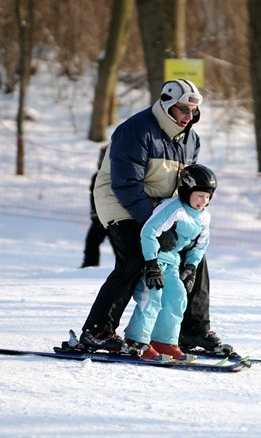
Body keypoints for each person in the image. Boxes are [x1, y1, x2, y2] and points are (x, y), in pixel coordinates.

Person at [78, 79, 230, 354]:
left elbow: (186, 185)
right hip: (121, 203)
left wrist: (189, 223)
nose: (188, 116)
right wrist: (157, 226)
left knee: (194, 256)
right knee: (136, 256)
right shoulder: (136, 130)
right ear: (167, 103)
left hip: (161, 209)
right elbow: (125, 184)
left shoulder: (190, 139)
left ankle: (192, 330)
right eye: (183, 109)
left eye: (193, 111)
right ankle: (98, 330)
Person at [123, 164, 216, 359]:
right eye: (199, 195)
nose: (203, 202)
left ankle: (164, 341)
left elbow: (201, 245)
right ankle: (136, 340)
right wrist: (152, 264)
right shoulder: (173, 208)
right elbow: (149, 232)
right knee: (152, 296)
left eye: (208, 197)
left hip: (172, 263)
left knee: (178, 296)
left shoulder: (204, 218)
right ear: (187, 189)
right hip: (153, 259)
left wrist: (191, 267)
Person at [80, 146, 108, 268]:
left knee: (121, 246)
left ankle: (126, 269)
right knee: (92, 241)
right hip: (100, 217)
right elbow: (94, 197)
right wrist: (94, 212)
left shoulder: (118, 174)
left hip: (116, 216)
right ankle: (89, 266)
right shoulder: (97, 176)